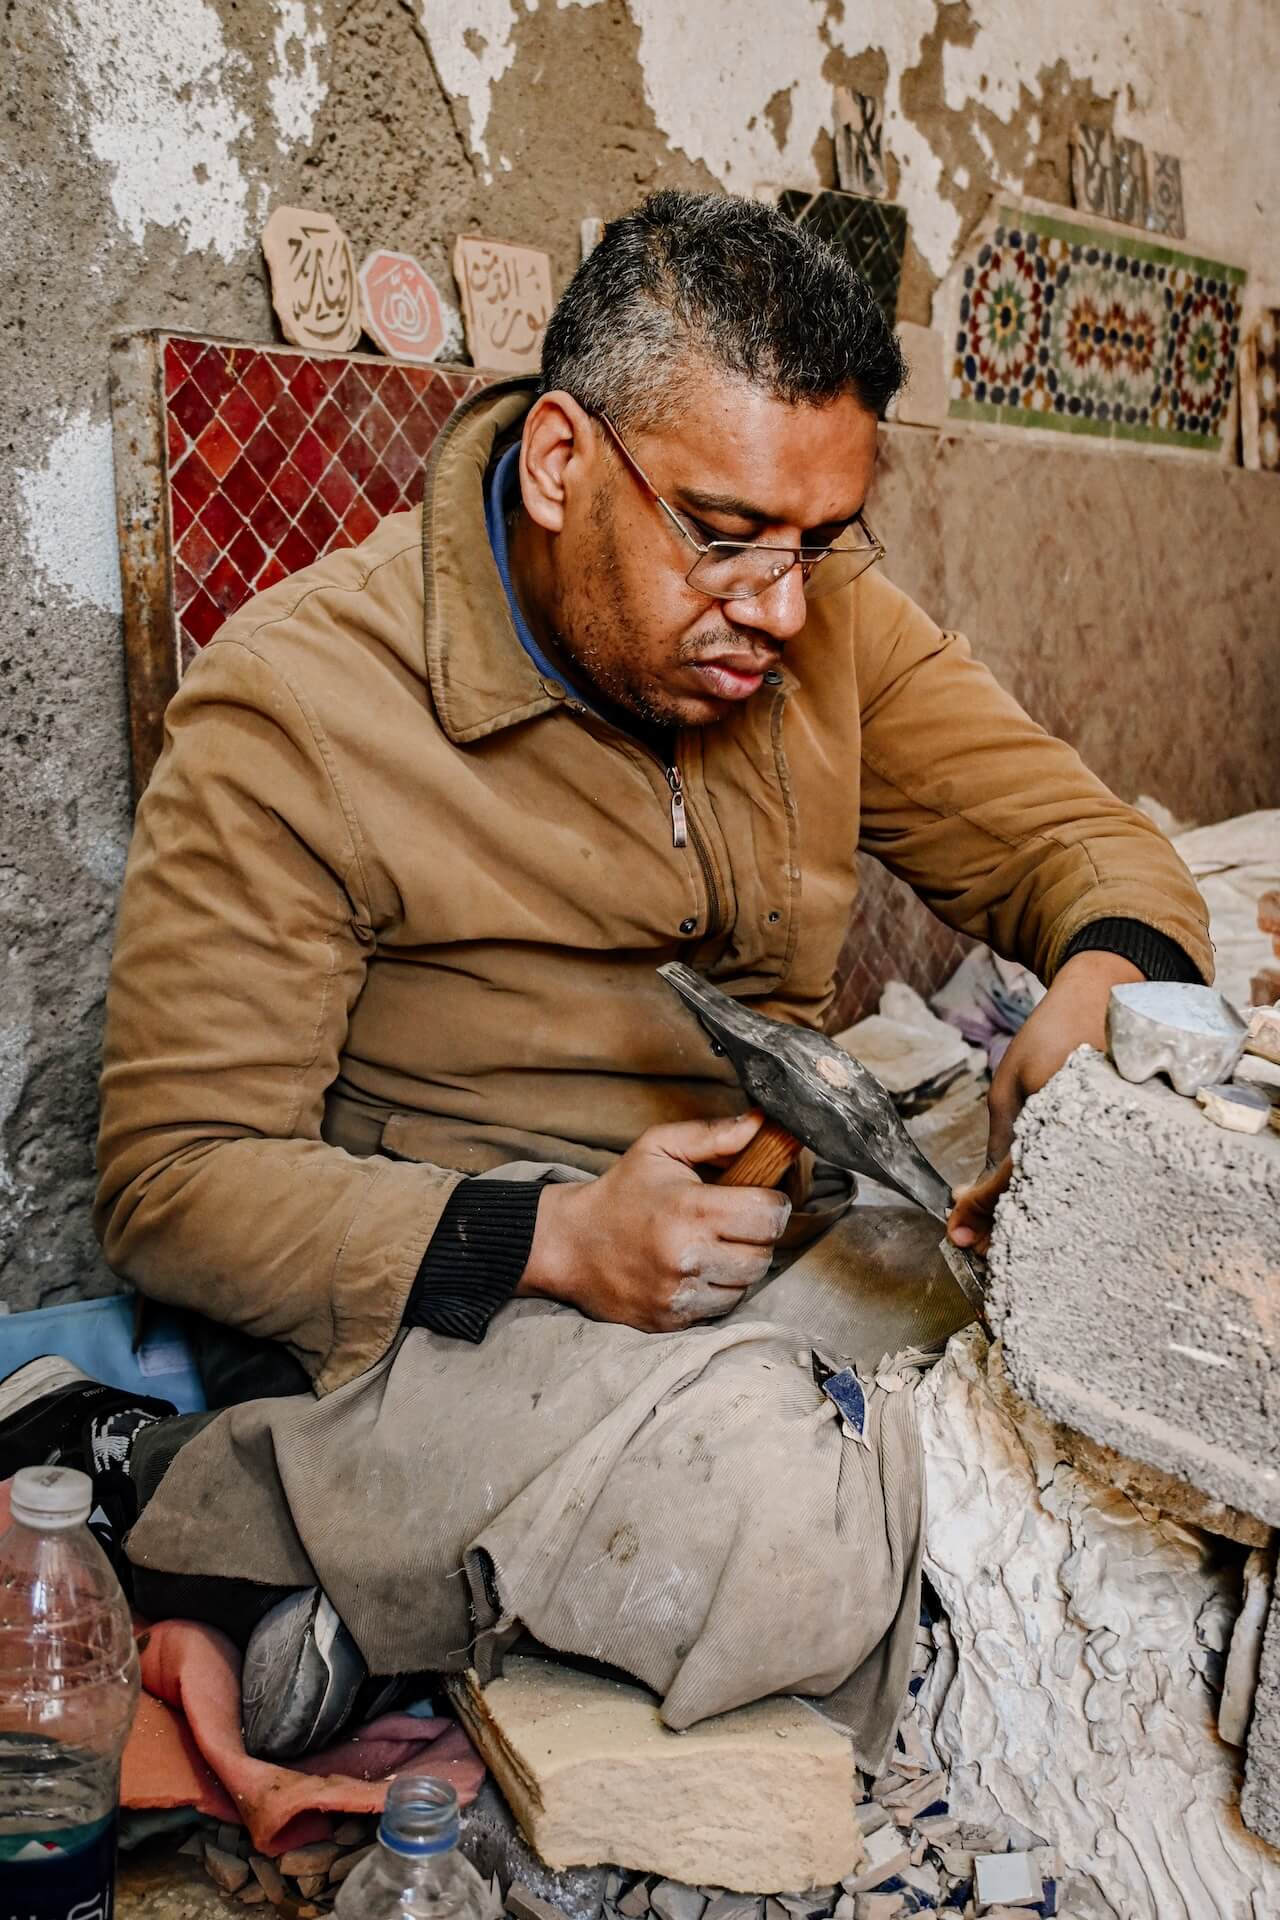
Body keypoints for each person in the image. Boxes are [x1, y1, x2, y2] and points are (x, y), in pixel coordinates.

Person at [0, 192, 1208, 1765]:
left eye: (822, 542)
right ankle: (239, 1516)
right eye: (724, 538)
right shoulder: (298, 712)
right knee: (795, 1517)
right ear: (564, 463)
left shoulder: (806, 611)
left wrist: (1099, 986)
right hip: (462, 1295)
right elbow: (173, 1186)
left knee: (1156, 1269)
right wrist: (558, 1238)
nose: (780, 606)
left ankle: (426, 1595)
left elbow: (1087, 845)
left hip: (776, 1220)